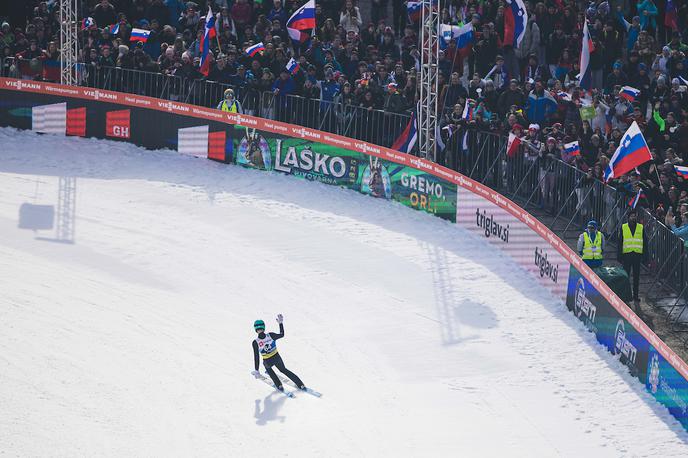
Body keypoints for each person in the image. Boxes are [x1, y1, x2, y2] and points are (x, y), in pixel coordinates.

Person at [251, 314, 306, 392]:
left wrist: (256, 370)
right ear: (264, 327)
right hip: (277, 358)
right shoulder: (270, 335)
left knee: (269, 369)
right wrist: (280, 323)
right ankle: (300, 384)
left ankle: (279, 385)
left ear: (255, 329)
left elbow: (256, 357)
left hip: (267, 361)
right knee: (284, 370)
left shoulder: (255, 342)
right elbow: (282, 334)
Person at [617, 209, 646, 306]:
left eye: (635, 216)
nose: (633, 218)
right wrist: (619, 255)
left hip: (637, 255)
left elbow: (645, 242)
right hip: (627, 255)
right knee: (626, 276)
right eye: (632, 216)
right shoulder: (623, 227)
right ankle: (625, 295)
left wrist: (645, 255)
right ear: (628, 217)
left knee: (636, 277)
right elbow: (620, 242)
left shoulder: (641, 227)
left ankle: (636, 296)